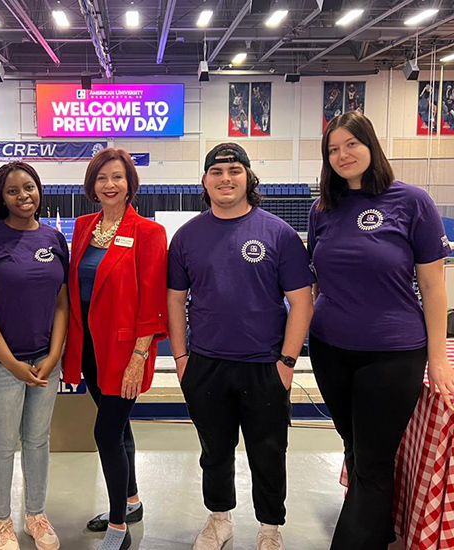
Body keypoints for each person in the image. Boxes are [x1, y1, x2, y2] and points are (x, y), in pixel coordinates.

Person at [307, 111, 454, 549]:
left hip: (392, 354)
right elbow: (317, 279)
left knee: (371, 463)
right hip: (330, 350)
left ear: (371, 146)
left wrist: (436, 356)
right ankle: (381, 529)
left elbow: (432, 285)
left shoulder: (411, 201)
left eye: (351, 144)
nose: (342, 155)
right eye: (333, 149)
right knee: (355, 450)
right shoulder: (323, 208)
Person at [167, 143, 315, 550]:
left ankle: (269, 528)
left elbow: (302, 301)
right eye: (216, 172)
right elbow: (175, 300)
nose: (225, 178)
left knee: (268, 453)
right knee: (214, 452)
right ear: (204, 182)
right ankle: (220, 520)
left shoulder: (278, 233)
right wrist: (182, 359)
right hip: (207, 365)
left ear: (249, 177)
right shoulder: (186, 237)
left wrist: (287, 362)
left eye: (234, 170)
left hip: (264, 365)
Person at [62, 148, 168, 550]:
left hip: (126, 351)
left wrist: (139, 358)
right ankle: (133, 500)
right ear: (93, 184)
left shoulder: (148, 233)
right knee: (119, 428)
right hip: (89, 348)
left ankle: (119, 527)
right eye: (102, 177)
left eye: (118, 177)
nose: (110, 184)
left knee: (105, 432)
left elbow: (152, 299)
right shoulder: (84, 227)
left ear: (130, 184)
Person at [0, 162, 69, 550]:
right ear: (1, 198)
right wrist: (11, 363)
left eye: (29, 187)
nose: (23, 196)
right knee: (2, 445)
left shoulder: (54, 239)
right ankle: (1, 522)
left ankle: (36, 515)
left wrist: (54, 354)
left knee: (38, 442)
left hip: (44, 362)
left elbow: (62, 303)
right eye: (13, 191)